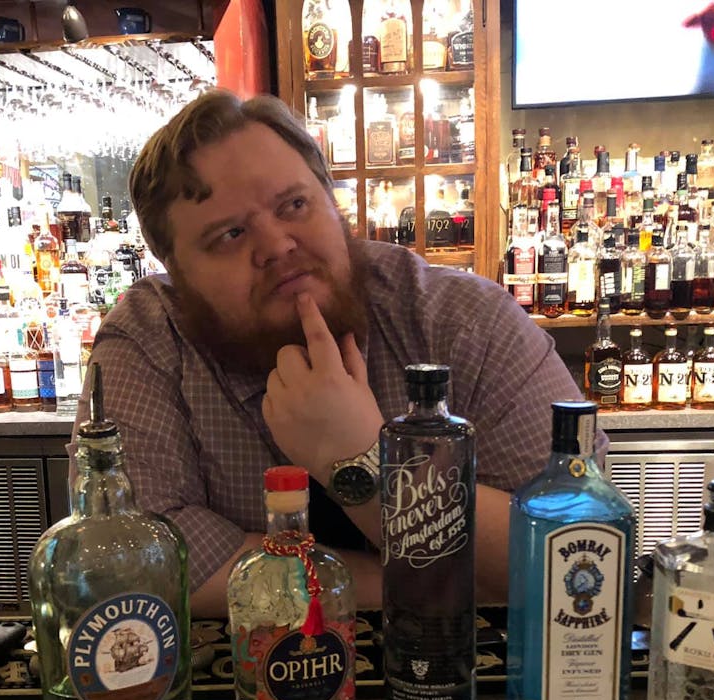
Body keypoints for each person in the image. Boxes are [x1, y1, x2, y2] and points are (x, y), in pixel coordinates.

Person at [75, 89, 593, 618]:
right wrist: (428, 582)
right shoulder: (150, 340)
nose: (277, 245)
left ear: (330, 200)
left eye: (293, 205)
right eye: (229, 234)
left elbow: (580, 554)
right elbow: (127, 563)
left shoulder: (464, 323)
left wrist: (363, 460)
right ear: (176, 275)